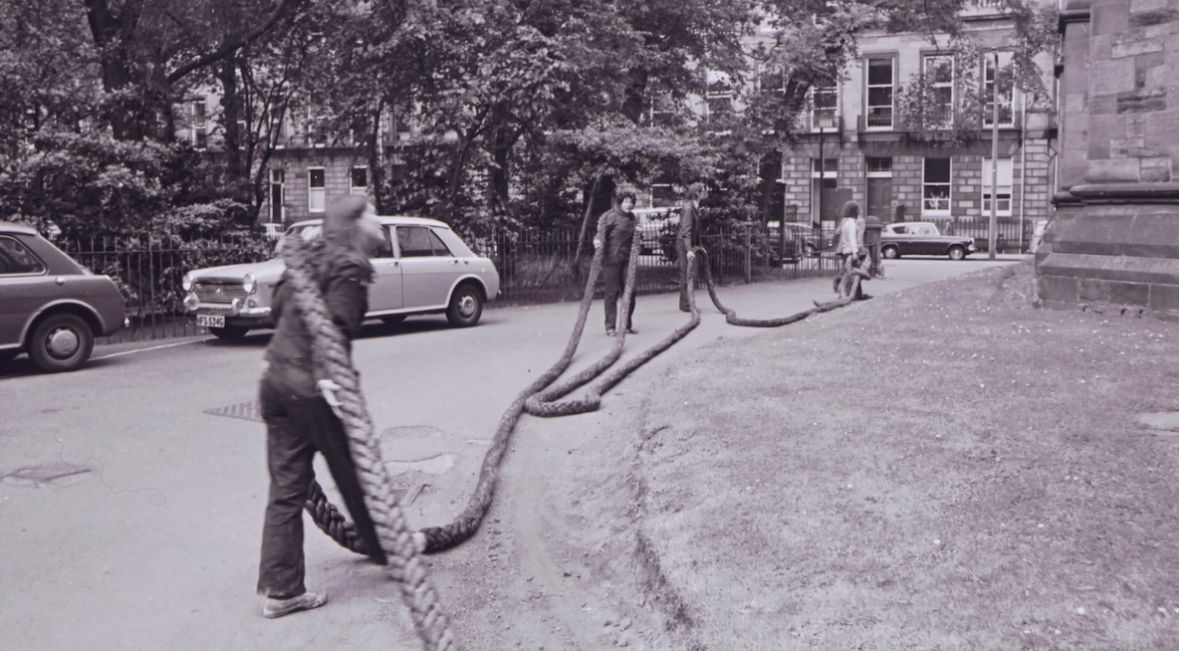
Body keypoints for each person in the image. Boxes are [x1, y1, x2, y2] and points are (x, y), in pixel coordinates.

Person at [256, 195, 388, 619]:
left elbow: (277, 310)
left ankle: (281, 590)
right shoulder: (348, 266)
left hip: (274, 381)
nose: (379, 223)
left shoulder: (309, 258)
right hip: (312, 390)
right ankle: (386, 552)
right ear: (355, 224)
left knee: (286, 489)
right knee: (353, 474)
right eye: (372, 216)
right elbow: (339, 325)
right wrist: (333, 382)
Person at [593, 190, 639, 336]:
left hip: (628, 260)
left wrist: (639, 235)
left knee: (630, 292)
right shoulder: (612, 216)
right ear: (620, 202)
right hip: (612, 259)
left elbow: (635, 240)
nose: (628, 205)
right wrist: (597, 241)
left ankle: (626, 324)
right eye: (626, 202)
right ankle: (610, 327)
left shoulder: (633, 218)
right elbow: (601, 232)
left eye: (631, 202)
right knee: (612, 293)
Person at [676, 184, 704, 312]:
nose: (705, 193)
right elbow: (686, 231)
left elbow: (696, 230)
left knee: (690, 273)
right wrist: (688, 250)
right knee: (686, 274)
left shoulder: (695, 206)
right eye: (703, 191)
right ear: (697, 193)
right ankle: (686, 305)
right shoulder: (688, 208)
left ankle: (688, 303)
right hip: (684, 244)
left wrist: (699, 246)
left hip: (690, 244)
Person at [832, 201, 861, 294]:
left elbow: (841, 236)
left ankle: (857, 293)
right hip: (850, 252)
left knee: (850, 272)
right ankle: (846, 292)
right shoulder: (852, 223)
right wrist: (855, 253)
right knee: (853, 273)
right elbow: (852, 239)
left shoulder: (845, 223)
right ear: (854, 211)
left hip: (845, 251)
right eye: (857, 210)